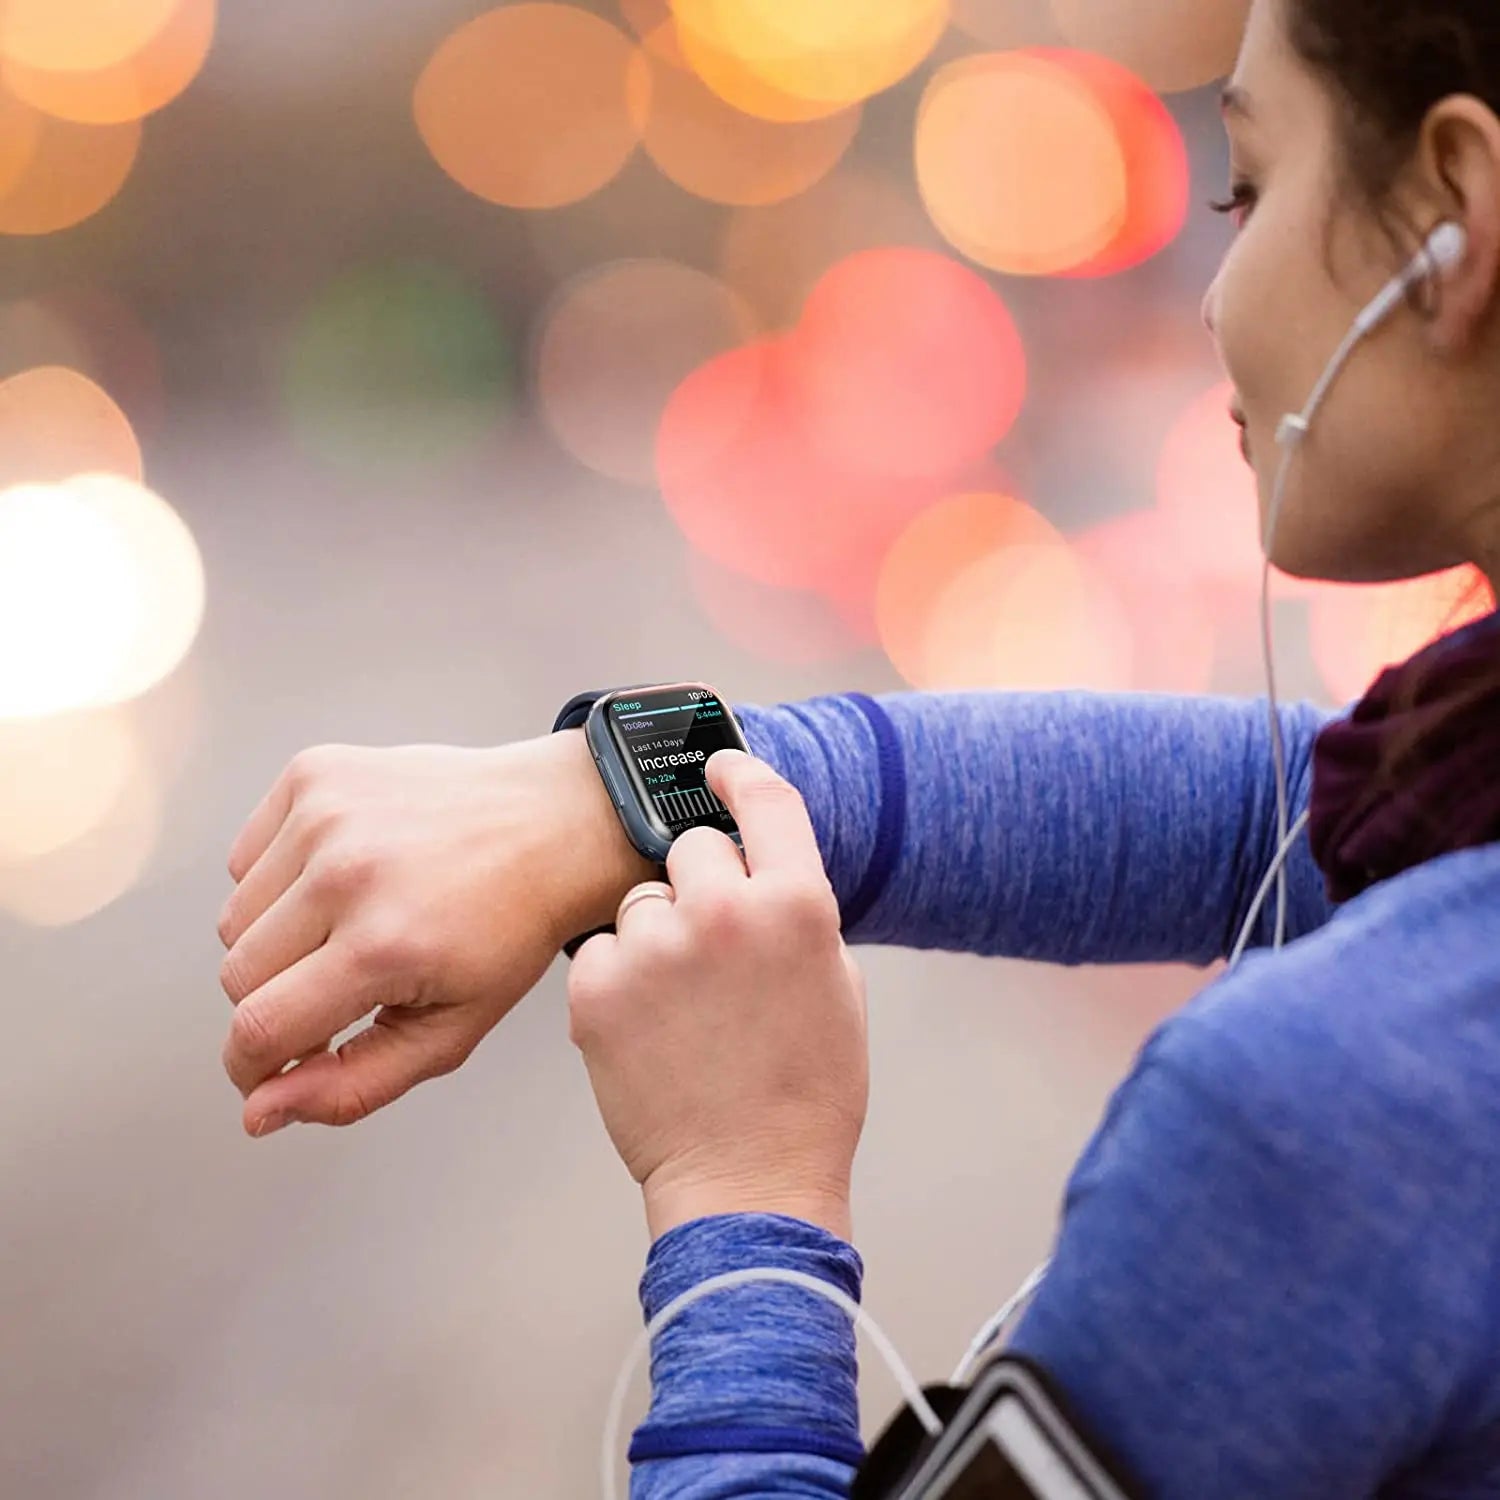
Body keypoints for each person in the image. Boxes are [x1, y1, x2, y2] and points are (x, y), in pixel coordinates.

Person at [214, 0, 1500, 1492]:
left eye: (1250, 191)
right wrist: (624, 794)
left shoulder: (1320, 1122)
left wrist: (739, 1191)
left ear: (1456, 217)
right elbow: (1277, 815)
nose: (1213, 300)